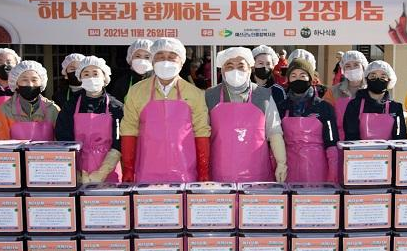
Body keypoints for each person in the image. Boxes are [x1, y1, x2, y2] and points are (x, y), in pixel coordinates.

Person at [120, 38, 211, 183]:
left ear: (181, 62)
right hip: (146, 171)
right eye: (160, 57)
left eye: (171, 57)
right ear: (152, 61)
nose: (166, 62)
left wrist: (203, 171)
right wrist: (128, 169)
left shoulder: (194, 93)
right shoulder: (136, 91)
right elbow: (129, 130)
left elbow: (201, 131)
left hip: (184, 172)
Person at [205, 47, 287, 183]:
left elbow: (274, 132)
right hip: (221, 173)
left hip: (256, 173)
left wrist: (281, 162)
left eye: (240, 66)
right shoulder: (210, 95)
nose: (235, 71)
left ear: (249, 69)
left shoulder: (263, 95)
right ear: (222, 70)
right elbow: (202, 133)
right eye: (229, 66)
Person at [55, 56, 123, 183]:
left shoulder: (116, 107)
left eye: (95, 73)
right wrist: (77, 171)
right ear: (80, 78)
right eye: (86, 74)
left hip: (109, 171)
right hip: (78, 169)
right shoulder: (70, 105)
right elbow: (63, 137)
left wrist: (103, 171)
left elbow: (119, 142)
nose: (91, 77)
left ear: (104, 77)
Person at [277, 58, 339, 183]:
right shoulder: (282, 107)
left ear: (310, 79)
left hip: (317, 168)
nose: (298, 79)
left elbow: (332, 141)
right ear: (288, 80)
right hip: (289, 168)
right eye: (293, 76)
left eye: (302, 75)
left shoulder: (324, 107)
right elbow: (276, 139)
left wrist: (333, 171)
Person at [0, 61, 60, 141]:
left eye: (34, 80)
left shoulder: (53, 110)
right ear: (16, 83)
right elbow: (0, 144)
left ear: (41, 83)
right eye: (24, 80)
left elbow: (60, 141)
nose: (30, 84)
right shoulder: (4, 111)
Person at [343, 60, 407, 141]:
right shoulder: (354, 105)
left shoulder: (396, 108)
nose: (378, 80)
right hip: (359, 149)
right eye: (373, 76)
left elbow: (399, 137)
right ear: (366, 79)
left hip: (389, 149)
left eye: (383, 77)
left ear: (389, 80)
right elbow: (351, 135)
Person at [324, 50, 368, 140]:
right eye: (348, 66)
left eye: (356, 65)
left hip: (367, 143)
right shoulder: (333, 91)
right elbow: (326, 118)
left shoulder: (371, 90)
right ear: (343, 70)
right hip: (340, 141)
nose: (352, 69)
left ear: (363, 67)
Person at [107, 39, 153, 103]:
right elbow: (115, 105)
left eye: (147, 57)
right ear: (130, 58)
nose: (142, 61)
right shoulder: (122, 83)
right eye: (138, 56)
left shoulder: (160, 82)